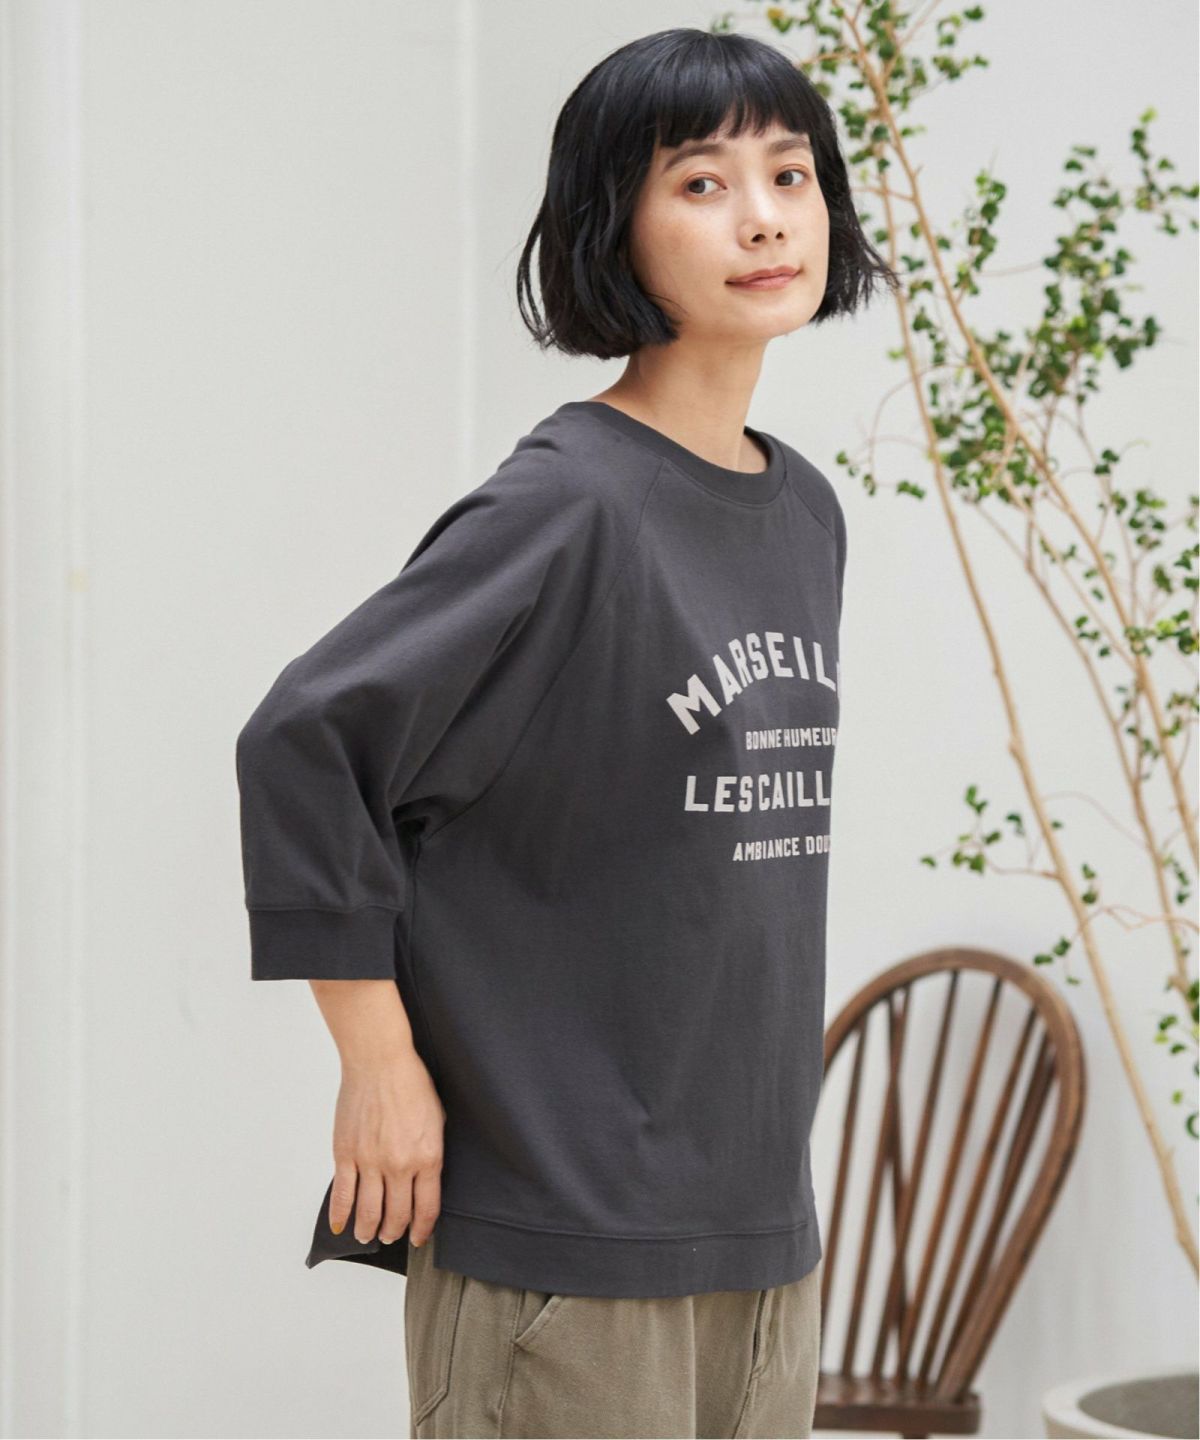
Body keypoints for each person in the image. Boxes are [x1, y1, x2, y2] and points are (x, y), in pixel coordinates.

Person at [235, 24, 897, 1440]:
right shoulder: (573, 499)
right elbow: (307, 741)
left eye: (791, 174)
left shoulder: (805, 512)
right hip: (565, 1245)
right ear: (615, 225)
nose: (765, 216)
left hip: (758, 1236)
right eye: (703, 183)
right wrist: (379, 1064)